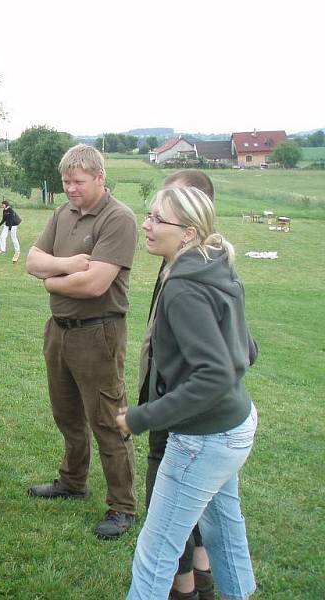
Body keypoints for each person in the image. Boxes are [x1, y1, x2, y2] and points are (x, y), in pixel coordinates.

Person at [117, 187, 258, 600]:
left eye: (159, 219)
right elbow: (247, 350)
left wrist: (141, 416)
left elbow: (214, 375)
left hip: (205, 439)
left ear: (189, 233)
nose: (146, 224)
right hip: (235, 425)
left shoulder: (182, 285)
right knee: (224, 529)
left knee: (155, 549)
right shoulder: (217, 265)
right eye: (148, 215)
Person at [25, 144, 138, 540]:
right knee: (66, 413)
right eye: (65, 181)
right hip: (59, 330)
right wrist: (68, 265)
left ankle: (122, 505)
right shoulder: (63, 213)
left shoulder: (118, 218)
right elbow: (32, 260)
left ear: (100, 178)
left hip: (99, 331)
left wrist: (52, 280)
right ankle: (72, 481)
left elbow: (95, 284)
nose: (70, 189)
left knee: (108, 419)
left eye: (78, 181)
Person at [138, 170, 218, 600]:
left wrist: (151, 409)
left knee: (168, 501)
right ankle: (203, 577)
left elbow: (222, 363)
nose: (147, 224)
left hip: (178, 410)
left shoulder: (189, 280)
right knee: (198, 498)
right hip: (171, 398)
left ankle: (183, 585)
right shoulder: (194, 264)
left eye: (158, 214)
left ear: (190, 222)